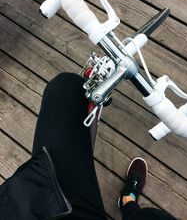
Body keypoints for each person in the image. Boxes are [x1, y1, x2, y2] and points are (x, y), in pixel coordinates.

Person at [0, 72, 177, 220]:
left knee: (65, 88)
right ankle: (128, 204)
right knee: (148, 218)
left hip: (36, 206)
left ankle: (128, 204)